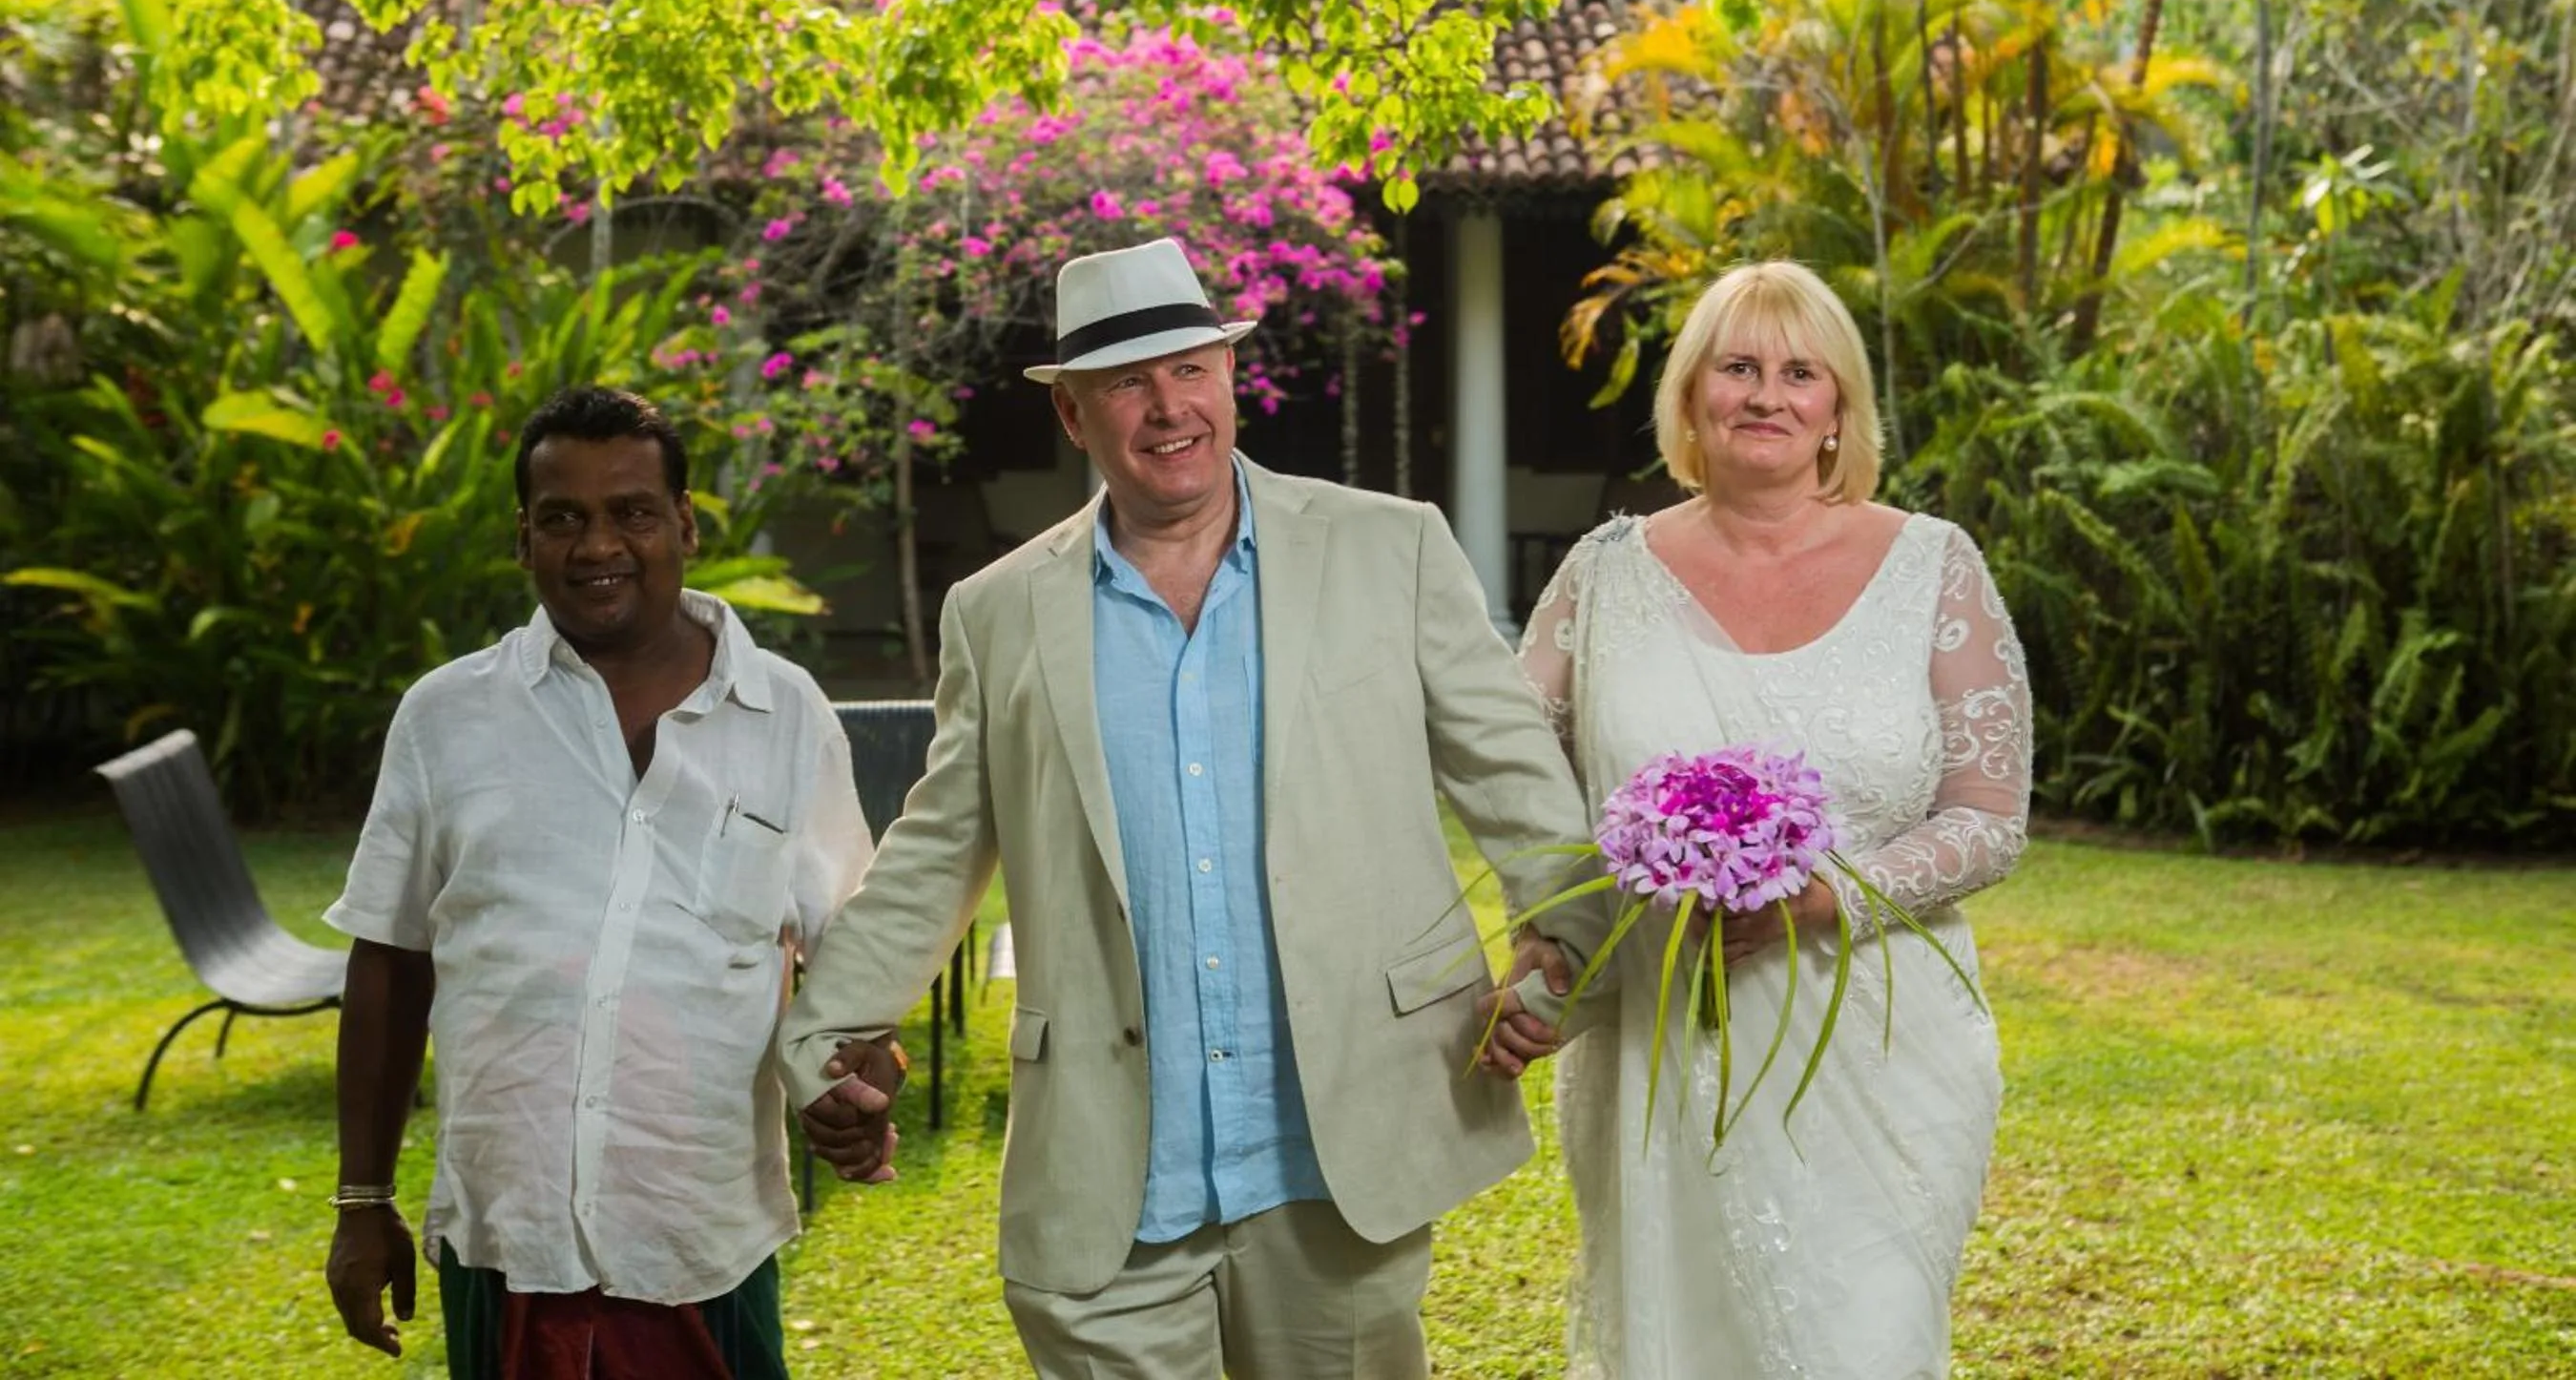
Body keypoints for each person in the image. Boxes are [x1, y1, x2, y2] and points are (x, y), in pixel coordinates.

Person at [779, 237, 1600, 1380]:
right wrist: (821, 1038)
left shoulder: (1391, 548)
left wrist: (1565, 954)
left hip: (1339, 1152)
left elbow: (1517, 785)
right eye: (1124, 382)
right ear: (1073, 417)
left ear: (1228, 373)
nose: (1167, 408)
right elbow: (937, 850)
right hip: (1108, 1175)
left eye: (1190, 369)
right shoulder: (998, 612)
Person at [1521, 260, 2030, 1378]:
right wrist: (1544, 944)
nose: (1767, 395)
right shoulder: (1602, 577)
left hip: (1885, 1048)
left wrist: (1824, 897)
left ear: (1839, 407)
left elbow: (1990, 814)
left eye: (1801, 373)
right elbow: (1519, 787)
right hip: (1664, 1041)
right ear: (1692, 396)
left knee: (1867, 1343)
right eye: (1737, 367)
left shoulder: (1932, 568)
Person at [322, 387, 872, 1379]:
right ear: (522, 538)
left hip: (703, 1236)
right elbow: (391, 963)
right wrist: (364, 1202)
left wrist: (861, 1077)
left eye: (633, 512)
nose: (596, 544)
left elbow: (850, 959)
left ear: (686, 526)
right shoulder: (444, 717)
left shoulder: (786, 716)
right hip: (507, 1233)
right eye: (562, 518)